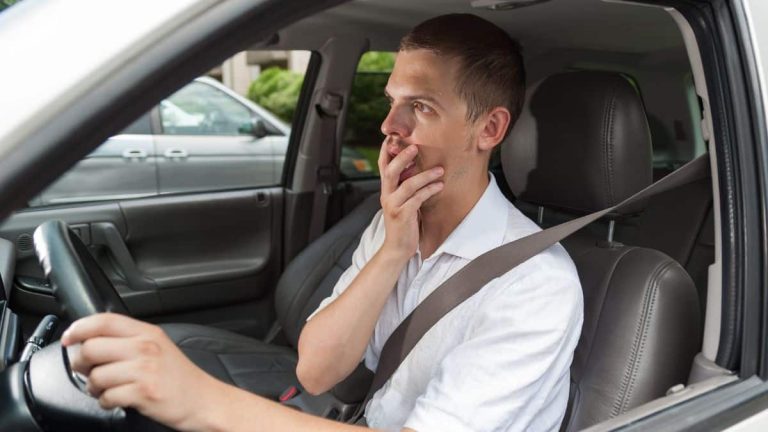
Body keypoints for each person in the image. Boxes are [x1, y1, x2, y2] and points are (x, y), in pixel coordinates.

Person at [62, 13, 583, 432]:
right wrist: (393, 250)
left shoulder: (536, 284)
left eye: (419, 107)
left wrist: (203, 401)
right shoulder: (396, 223)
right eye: (392, 102)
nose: (388, 127)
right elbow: (316, 371)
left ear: (488, 128)